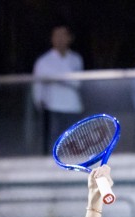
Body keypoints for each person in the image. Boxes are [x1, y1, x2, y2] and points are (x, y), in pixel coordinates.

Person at [33, 23, 84, 153]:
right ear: (52, 38)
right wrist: (39, 104)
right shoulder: (43, 61)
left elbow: (77, 82)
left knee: (73, 146)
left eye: (63, 35)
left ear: (70, 38)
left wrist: (55, 76)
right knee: (53, 145)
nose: (60, 38)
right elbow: (37, 87)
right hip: (52, 108)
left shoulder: (76, 59)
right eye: (57, 35)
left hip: (73, 108)